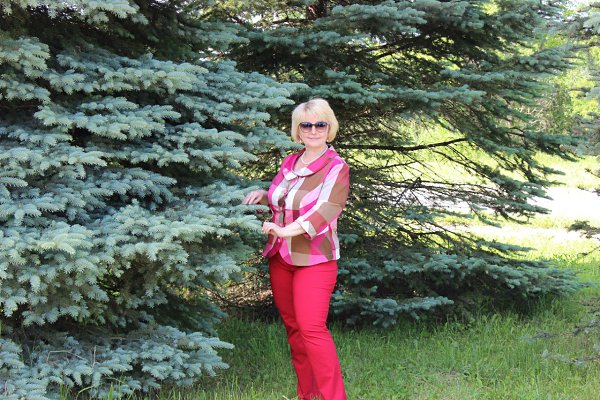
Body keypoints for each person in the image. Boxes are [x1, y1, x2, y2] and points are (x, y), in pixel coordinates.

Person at [242, 98, 350, 400]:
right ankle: (308, 395)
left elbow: (325, 211)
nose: (313, 130)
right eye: (306, 125)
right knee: (293, 328)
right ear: (297, 130)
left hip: (315, 259)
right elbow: (286, 198)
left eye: (320, 124)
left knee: (312, 329)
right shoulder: (291, 161)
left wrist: (285, 231)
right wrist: (264, 194)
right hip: (281, 256)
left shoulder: (336, 167)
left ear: (329, 127)